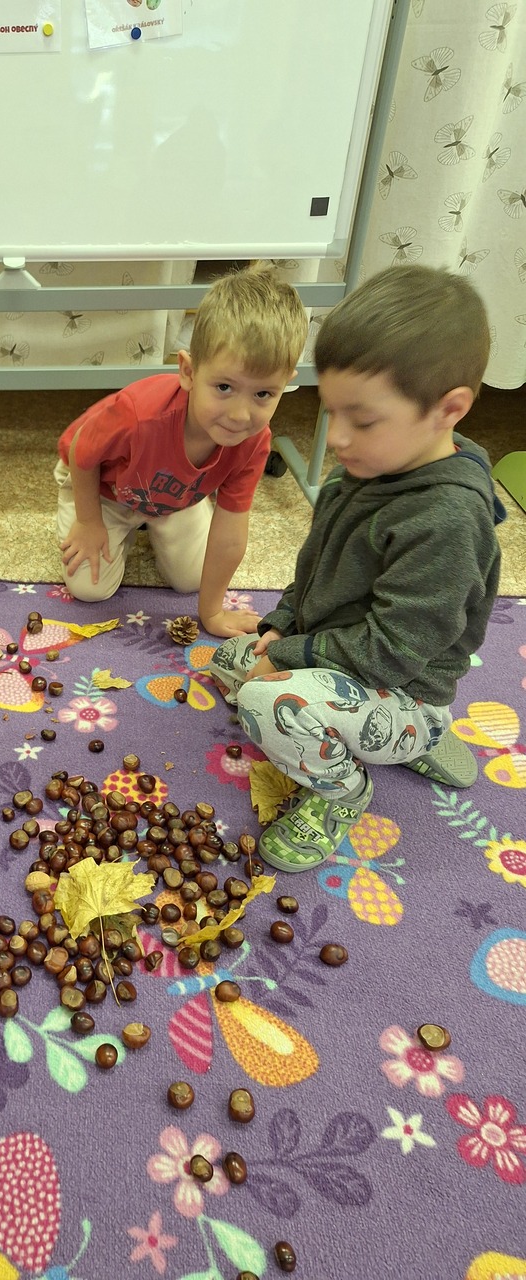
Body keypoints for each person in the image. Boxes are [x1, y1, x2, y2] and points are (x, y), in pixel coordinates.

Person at [207, 264, 505, 873]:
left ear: (449, 410)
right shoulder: (373, 463)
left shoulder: (446, 522)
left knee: (264, 702)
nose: (338, 440)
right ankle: (377, 736)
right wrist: (283, 622)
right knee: (231, 660)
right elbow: (318, 567)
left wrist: (287, 656)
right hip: (346, 652)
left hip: (405, 688)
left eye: (362, 420)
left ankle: (345, 790)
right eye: (331, 413)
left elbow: (394, 651)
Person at [54, 263, 309, 637]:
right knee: (89, 590)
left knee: (193, 580)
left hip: (174, 497)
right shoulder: (139, 414)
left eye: (263, 394)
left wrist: (212, 612)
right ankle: (121, 522)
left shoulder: (254, 441)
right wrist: (89, 522)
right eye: (224, 387)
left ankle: (161, 516)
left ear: (285, 385)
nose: (240, 415)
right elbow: (82, 451)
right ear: (188, 372)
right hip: (104, 486)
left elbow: (231, 530)